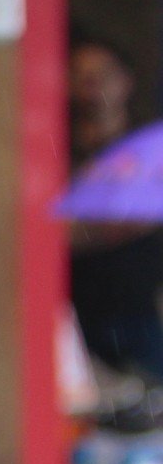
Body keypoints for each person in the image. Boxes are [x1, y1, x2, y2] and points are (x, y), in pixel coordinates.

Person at [67, 34, 163, 379]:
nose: (93, 87)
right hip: (73, 315)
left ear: (125, 81)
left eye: (103, 75)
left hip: (140, 316)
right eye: (81, 76)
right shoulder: (53, 151)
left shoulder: (149, 153)